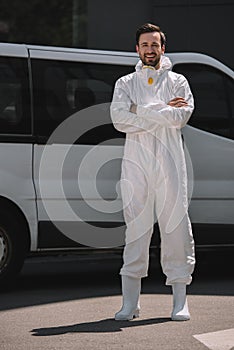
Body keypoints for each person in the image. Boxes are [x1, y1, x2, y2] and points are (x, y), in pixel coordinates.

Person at [110, 23, 195, 321]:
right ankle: (130, 304)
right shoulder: (124, 83)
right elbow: (119, 120)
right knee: (136, 230)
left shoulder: (178, 81)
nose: (149, 49)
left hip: (170, 165)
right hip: (136, 166)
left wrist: (139, 109)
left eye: (154, 44)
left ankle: (180, 302)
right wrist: (161, 110)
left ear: (163, 48)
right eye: (144, 44)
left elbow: (181, 116)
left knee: (175, 229)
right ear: (137, 48)